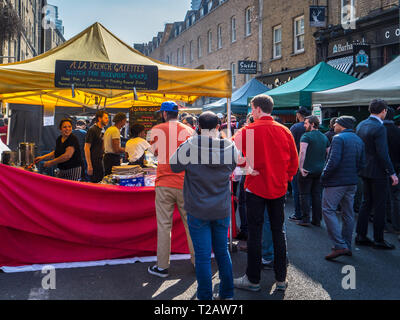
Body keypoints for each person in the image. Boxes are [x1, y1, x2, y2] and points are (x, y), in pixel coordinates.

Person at [232, 94, 298, 292]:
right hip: (278, 187)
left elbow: (235, 157)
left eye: (252, 109)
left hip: (255, 187)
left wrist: (248, 166)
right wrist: (284, 179)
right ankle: (281, 279)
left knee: (255, 233)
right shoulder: (284, 130)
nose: (251, 112)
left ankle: (253, 279)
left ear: (258, 109)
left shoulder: (247, 131)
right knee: (278, 232)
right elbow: (293, 163)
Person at [170, 111, 238, 300]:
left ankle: (205, 297)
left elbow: (174, 165)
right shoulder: (230, 146)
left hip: (198, 209)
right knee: (222, 253)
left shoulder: (190, 145)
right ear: (218, 127)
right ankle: (227, 294)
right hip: (221, 208)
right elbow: (232, 167)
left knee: (202, 257)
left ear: (197, 127)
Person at [148, 101, 195, 278]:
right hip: (185, 183)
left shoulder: (157, 129)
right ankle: (198, 263)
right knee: (191, 225)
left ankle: (162, 266)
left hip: (164, 182)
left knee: (164, 226)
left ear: (164, 114)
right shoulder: (190, 131)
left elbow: (155, 153)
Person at [356, 99, 399, 250]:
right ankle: (379, 239)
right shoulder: (379, 127)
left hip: (364, 169)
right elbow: (382, 153)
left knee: (366, 203)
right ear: (384, 111)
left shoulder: (361, 124)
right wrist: (392, 172)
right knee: (379, 205)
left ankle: (360, 235)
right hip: (378, 171)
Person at [321, 116, 365, 260]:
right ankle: (346, 245)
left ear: (342, 125)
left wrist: (324, 175)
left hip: (336, 182)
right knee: (348, 213)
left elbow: (333, 161)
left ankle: (340, 245)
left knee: (328, 210)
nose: (333, 126)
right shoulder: (358, 139)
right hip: (352, 181)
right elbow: (362, 163)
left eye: (336, 124)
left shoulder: (338, 138)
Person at [297, 115, 330, 227]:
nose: (304, 125)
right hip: (319, 170)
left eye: (306, 123)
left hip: (306, 170)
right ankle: (317, 219)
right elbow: (329, 153)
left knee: (304, 194)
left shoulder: (306, 136)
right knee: (316, 195)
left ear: (312, 124)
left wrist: (300, 167)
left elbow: (302, 152)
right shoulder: (324, 137)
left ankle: (305, 219)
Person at [288, 107, 310, 222]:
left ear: (298, 115)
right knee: (309, 191)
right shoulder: (313, 128)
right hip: (310, 162)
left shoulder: (295, 127)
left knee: (297, 190)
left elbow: (289, 146)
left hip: (297, 162)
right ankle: (309, 215)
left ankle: (298, 213)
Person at [383, 108, 400, 235]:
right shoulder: (397, 131)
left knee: (381, 197)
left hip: (381, 168)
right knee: (394, 196)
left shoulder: (380, 129)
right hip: (396, 166)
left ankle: (385, 222)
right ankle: (396, 224)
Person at [85, 110, 109, 183]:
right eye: (105, 118)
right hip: (94, 162)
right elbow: (86, 148)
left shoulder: (103, 130)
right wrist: (89, 165)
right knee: (95, 184)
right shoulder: (92, 130)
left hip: (100, 161)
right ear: (99, 118)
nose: (107, 120)